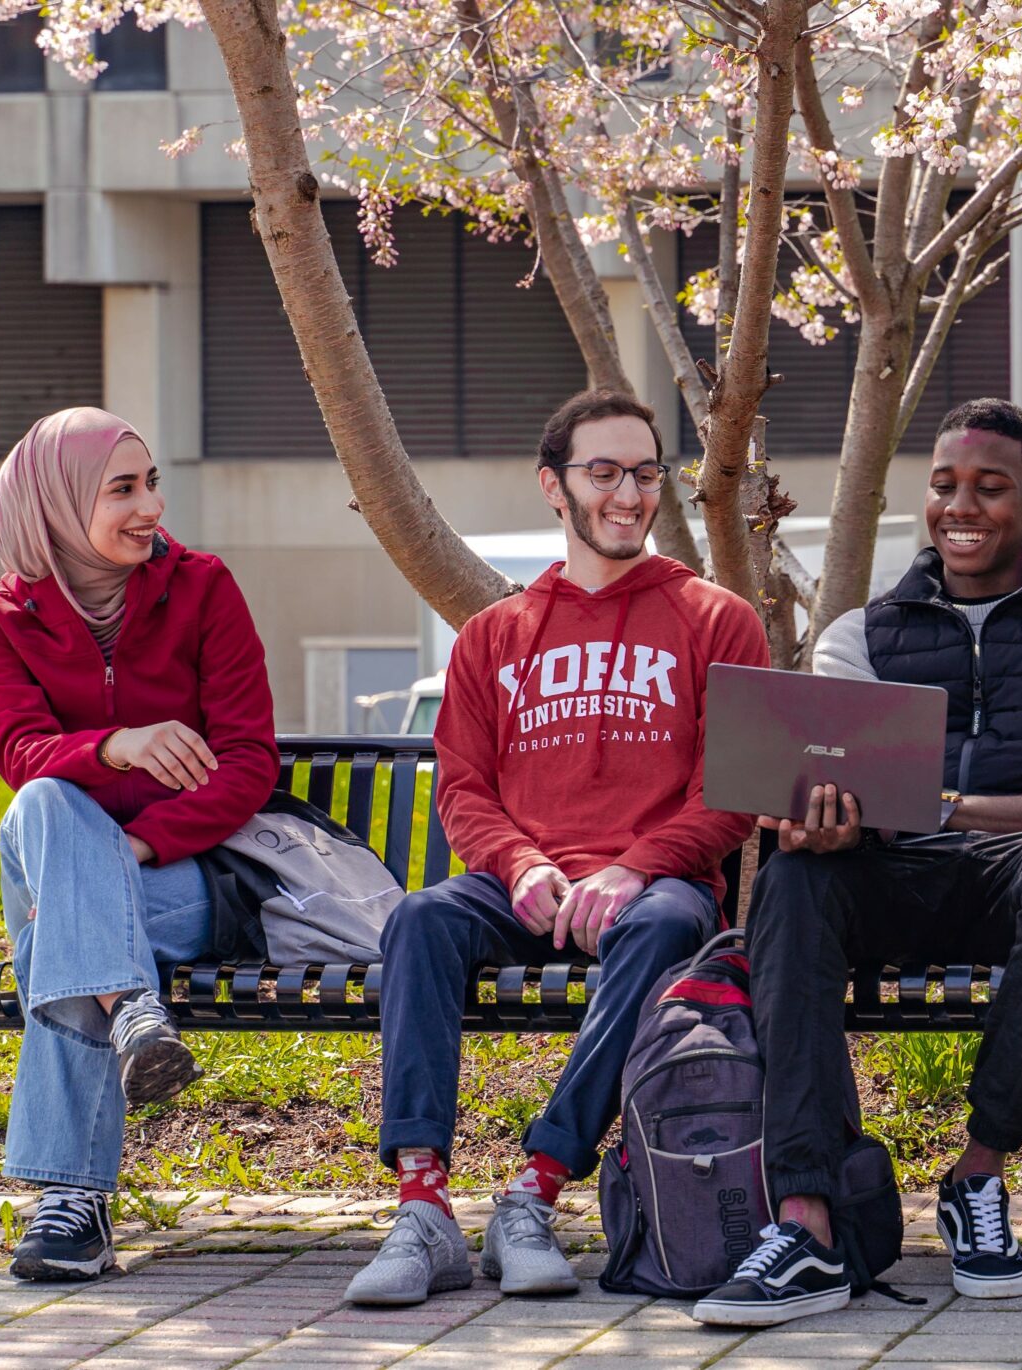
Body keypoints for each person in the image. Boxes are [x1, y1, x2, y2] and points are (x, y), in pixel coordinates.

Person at [689, 398, 1022, 1327]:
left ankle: (977, 1177)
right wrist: (818, 817)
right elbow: (823, 779)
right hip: (895, 881)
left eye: (990, 488)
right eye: (946, 486)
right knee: (793, 875)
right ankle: (806, 1220)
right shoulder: (860, 635)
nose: (962, 505)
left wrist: (951, 808)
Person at [346, 390, 768, 1307]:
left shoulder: (716, 620)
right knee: (420, 918)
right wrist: (523, 864)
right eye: (604, 472)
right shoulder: (496, 634)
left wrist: (634, 865)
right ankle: (423, 1210)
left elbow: (732, 794)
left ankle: (533, 1193)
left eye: (646, 473)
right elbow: (464, 788)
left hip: (655, 892)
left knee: (662, 926)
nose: (629, 493)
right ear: (554, 486)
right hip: (523, 889)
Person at [0, 408, 278, 1282]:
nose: (150, 507)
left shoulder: (205, 587)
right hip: (88, 876)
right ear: (58, 503)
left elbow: (249, 759)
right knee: (42, 800)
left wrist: (132, 848)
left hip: (191, 878)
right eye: (123, 489)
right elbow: (20, 751)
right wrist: (117, 743)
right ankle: (131, 1008)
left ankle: (69, 1206)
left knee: (63, 924)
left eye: (152, 484)